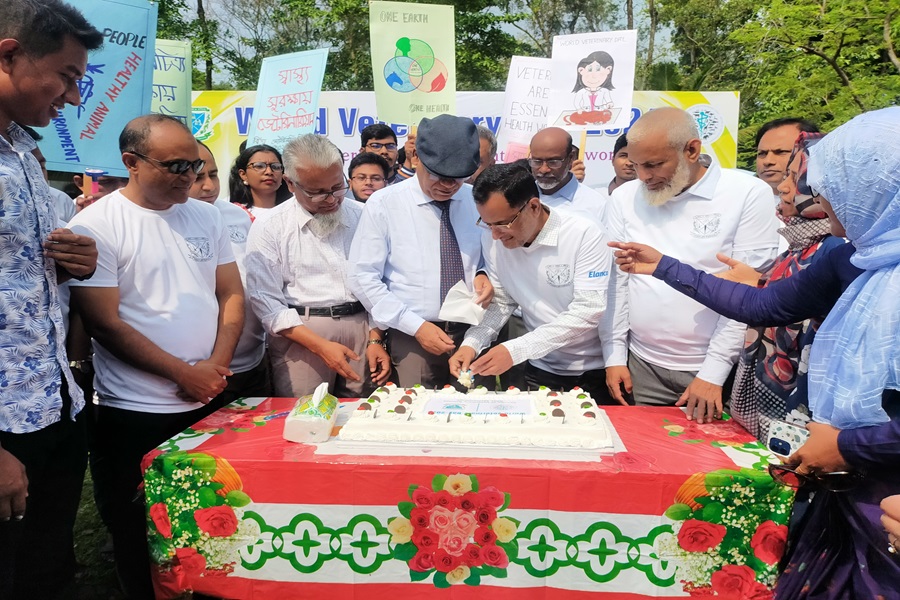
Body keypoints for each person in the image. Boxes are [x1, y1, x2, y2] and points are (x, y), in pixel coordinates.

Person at [611, 107, 900, 599]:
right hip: (843, 482)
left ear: (875, 188)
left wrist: (847, 446)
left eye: (831, 187)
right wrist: (664, 267)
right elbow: (760, 304)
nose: (814, 198)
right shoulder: (850, 257)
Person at [67, 114, 244, 598]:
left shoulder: (206, 216)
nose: (190, 176)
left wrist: (215, 366)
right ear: (132, 162)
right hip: (135, 411)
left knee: (210, 520)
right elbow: (105, 323)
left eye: (196, 164)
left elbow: (231, 293)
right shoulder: (95, 226)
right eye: (176, 166)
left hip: (207, 398)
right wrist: (183, 374)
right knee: (140, 531)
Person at [0, 2, 101, 597]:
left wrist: (67, 266)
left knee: (46, 573)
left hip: (55, 402)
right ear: (10, 54)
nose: (72, 97)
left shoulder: (23, 152)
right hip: (6, 425)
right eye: (66, 76)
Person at [604, 107, 779, 421]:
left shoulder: (747, 194)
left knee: (712, 454)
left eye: (654, 165)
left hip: (716, 373)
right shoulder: (623, 198)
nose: (643, 176)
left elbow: (745, 294)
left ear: (692, 150)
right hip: (641, 367)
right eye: (636, 164)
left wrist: (713, 373)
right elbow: (617, 282)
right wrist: (615, 355)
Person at [449, 163, 617, 403]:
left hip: (592, 368)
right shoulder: (493, 238)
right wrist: (472, 343)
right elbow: (502, 301)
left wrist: (516, 350)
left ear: (534, 207)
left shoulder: (584, 233)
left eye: (503, 224)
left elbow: (588, 309)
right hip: (539, 365)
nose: (495, 234)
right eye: (487, 224)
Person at [349, 114, 493, 387]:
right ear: (416, 158)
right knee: (416, 409)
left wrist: (484, 272)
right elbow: (362, 276)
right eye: (439, 176)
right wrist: (415, 326)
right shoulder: (385, 204)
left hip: (472, 332)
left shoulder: (477, 200)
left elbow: (492, 255)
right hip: (412, 336)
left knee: (477, 408)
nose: (448, 186)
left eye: (458, 178)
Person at [246, 134, 391, 397]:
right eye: (317, 192)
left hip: (363, 330)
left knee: (361, 412)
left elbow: (382, 281)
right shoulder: (270, 226)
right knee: (307, 413)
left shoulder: (363, 216)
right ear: (290, 183)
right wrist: (319, 346)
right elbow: (266, 301)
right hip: (302, 337)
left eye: (337, 187)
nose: (331, 199)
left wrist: (375, 337)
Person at [191, 140, 272, 403]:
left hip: (252, 359)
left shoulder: (238, 214)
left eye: (213, 175)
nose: (209, 186)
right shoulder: (168, 220)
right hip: (201, 371)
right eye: (198, 177)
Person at [528, 127, 608, 223]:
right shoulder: (518, 197)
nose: (544, 169)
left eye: (553, 162)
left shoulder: (595, 204)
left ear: (571, 158)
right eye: (537, 161)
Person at [755, 117, 819, 195]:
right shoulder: (744, 197)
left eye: (781, 152)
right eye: (762, 153)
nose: (768, 161)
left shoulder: (826, 201)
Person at [228, 143, 290, 220]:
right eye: (259, 166)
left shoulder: (295, 210)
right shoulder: (233, 214)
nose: (269, 172)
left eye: (276, 167)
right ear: (243, 174)